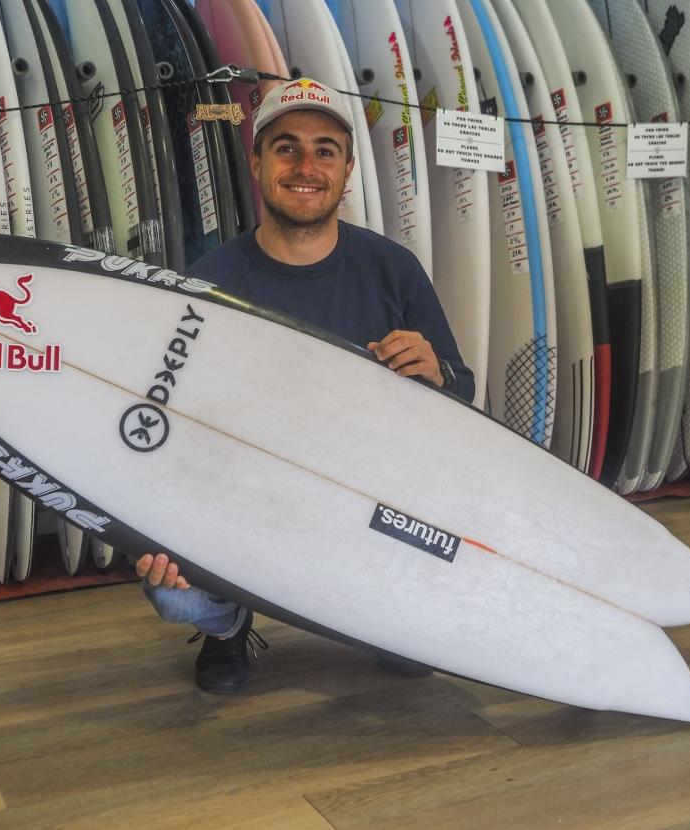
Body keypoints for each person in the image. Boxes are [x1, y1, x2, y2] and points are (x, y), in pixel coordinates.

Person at [135, 78, 475, 693]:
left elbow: (462, 392)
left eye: (325, 150)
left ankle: (388, 616)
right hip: (251, 499)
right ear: (258, 163)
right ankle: (227, 624)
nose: (305, 166)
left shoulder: (391, 267)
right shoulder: (208, 283)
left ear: (346, 169)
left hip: (368, 499)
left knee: (413, 634)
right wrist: (166, 529)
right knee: (174, 595)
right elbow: (171, 423)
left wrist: (438, 371)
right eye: (286, 147)